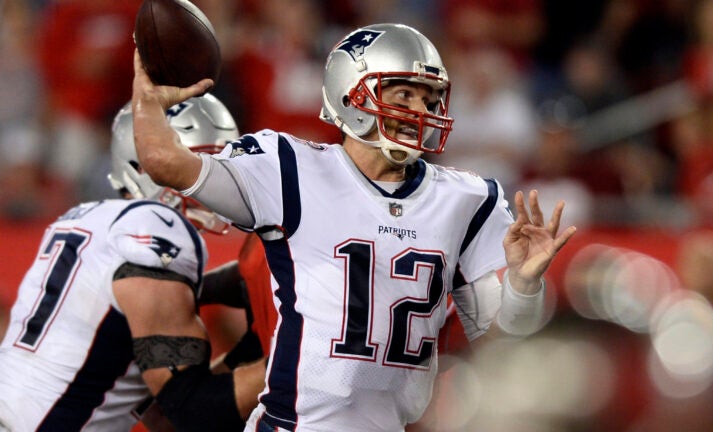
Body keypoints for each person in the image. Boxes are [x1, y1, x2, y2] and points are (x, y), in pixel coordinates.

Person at [131, 23, 577, 431]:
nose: (418, 109)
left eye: (428, 98)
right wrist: (147, 100)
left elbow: (501, 337)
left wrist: (522, 284)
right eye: (402, 94)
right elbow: (165, 164)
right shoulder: (291, 169)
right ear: (350, 94)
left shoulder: (466, 200)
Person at [0, 94, 265, 432]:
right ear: (147, 166)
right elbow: (193, 409)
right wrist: (297, 353)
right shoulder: (158, 228)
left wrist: (250, 344)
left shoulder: (82, 217)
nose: (221, 178)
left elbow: (160, 415)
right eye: (207, 162)